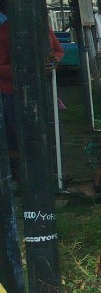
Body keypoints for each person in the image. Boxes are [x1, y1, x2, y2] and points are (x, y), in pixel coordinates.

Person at [0, 10, 65, 173]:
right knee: (20, 138)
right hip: (14, 93)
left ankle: (49, 172)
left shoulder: (43, 27)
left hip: (42, 90)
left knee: (47, 134)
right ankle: (23, 174)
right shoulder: (4, 32)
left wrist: (54, 61)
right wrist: (29, 69)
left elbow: (58, 50)